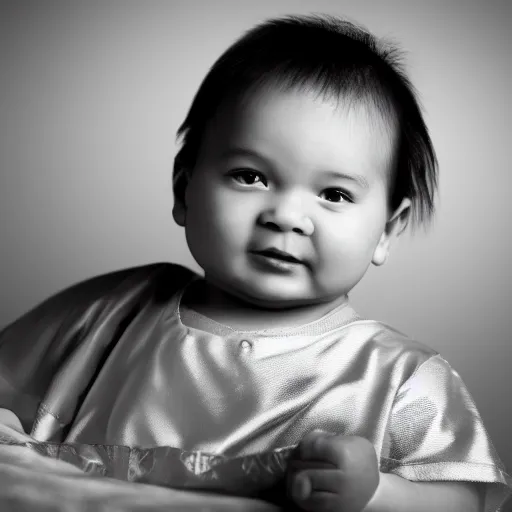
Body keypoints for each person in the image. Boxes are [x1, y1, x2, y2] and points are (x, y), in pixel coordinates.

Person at [0, 13, 510, 512]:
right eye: (250, 177)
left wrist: (377, 494)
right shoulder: (112, 310)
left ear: (387, 230)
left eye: (334, 193)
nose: (287, 216)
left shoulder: (399, 378)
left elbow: (464, 500)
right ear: (184, 190)